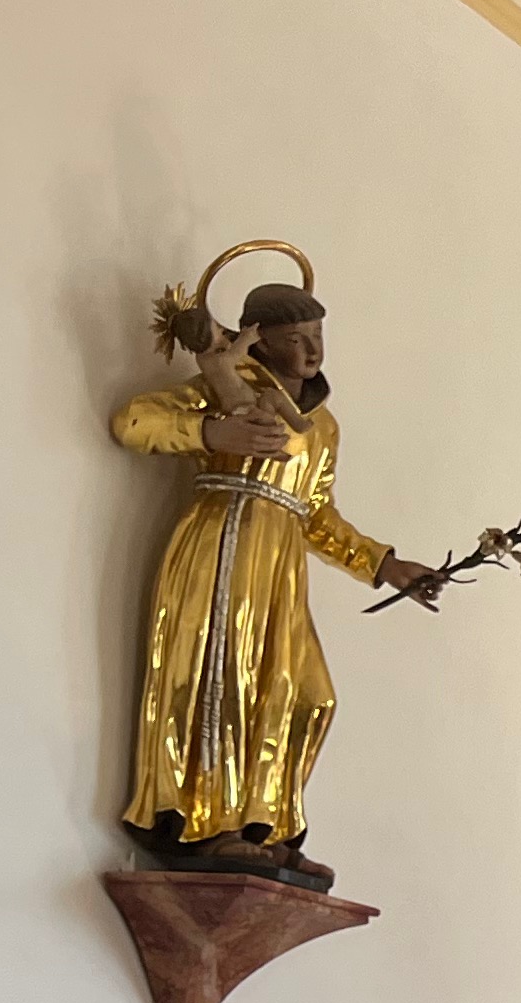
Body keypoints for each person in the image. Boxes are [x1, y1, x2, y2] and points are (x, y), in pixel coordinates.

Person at [109, 276, 441, 888]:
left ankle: (269, 826)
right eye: (295, 338)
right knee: (223, 678)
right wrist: (211, 434)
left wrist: (384, 564)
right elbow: (133, 421)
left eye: (317, 335)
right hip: (222, 543)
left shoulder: (323, 426)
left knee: (308, 696)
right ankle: (212, 826)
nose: (312, 351)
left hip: (280, 563)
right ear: (258, 341)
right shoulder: (220, 389)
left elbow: (317, 515)